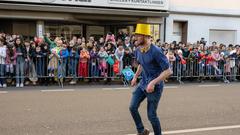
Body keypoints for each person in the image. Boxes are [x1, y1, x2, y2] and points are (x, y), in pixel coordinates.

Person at [129, 24, 172, 135]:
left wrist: (153, 82)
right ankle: (142, 131)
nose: (135, 38)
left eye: (138, 35)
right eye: (135, 35)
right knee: (132, 107)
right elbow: (141, 64)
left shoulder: (156, 51)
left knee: (151, 115)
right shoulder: (138, 49)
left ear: (145, 36)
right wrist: (135, 77)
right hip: (143, 84)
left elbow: (168, 71)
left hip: (155, 87)